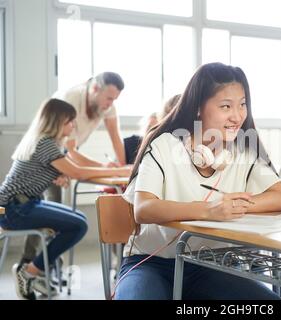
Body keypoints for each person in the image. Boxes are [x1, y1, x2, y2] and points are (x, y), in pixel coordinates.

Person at [116, 62, 281, 300]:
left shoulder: (244, 149)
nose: (237, 116)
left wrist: (233, 206)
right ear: (198, 107)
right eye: (226, 106)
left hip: (210, 267)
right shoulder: (165, 144)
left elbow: (280, 197)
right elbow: (144, 209)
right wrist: (210, 210)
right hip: (151, 264)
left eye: (242, 105)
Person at [0, 98, 130, 300]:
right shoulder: (45, 144)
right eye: (70, 121)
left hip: (22, 203)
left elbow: (68, 169)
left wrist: (58, 174)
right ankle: (30, 272)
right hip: (14, 209)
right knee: (78, 225)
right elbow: (78, 172)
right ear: (57, 122)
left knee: (78, 219)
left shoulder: (46, 142)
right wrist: (123, 169)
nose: (73, 126)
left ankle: (36, 271)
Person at [17, 72, 127, 282]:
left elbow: (116, 138)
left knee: (59, 213)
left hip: (60, 155)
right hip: (47, 157)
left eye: (115, 100)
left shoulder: (107, 105)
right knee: (46, 206)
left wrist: (121, 170)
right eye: (109, 98)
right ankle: (30, 263)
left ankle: (49, 264)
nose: (111, 104)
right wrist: (112, 170)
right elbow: (71, 153)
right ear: (95, 89)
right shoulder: (68, 101)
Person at [124, 94, 182, 165]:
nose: (152, 132)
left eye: (156, 129)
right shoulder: (129, 143)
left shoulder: (162, 147)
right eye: (149, 127)